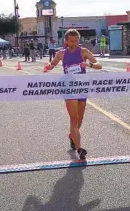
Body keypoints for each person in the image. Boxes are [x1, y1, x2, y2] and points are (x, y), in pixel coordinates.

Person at [44, 29, 102, 159]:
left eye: (76, 40)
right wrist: (48, 66)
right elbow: (52, 64)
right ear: (66, 41)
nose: (74, 43)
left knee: (80, 119)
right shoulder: (61, 53)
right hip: (69, 88)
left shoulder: (84, 52)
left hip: (81, 87)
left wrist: (89, 64)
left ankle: (72, 136)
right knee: (73, 118)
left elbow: (99, 65)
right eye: (71, 41)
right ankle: (79, 148)